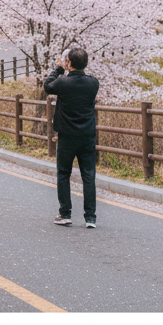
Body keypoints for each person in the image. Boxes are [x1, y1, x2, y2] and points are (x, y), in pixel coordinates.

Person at [43, 46, 99, 229]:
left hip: (67, 135)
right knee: (88, 175)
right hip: (87, 135)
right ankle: (90, 217)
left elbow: (47, 86)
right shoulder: (93, 83)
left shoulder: (63, 83)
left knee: (64, 173)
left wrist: (59, 68)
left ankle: (65, 213)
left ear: (69, 63)